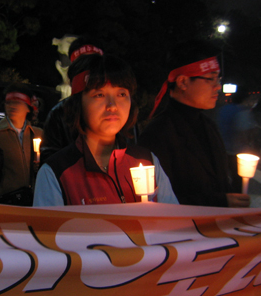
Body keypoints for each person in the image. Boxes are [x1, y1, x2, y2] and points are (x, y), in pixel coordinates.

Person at [33, 54, 178, 207]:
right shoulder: (56, 173)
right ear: (78, 103)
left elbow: (173, 223)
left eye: (122, 94)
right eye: (99, 94)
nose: (113, 105)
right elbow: (50, 230)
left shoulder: (148, 162)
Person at [138, 39, 250, 208]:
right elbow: (159, 200)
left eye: (218, 79)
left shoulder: (209, 126)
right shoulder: (157, 134)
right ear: (182, 82)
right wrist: (221, 201)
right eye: (210, 79)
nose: (217, 87)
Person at [41, 37, 105, 163]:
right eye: (83, 64)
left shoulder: (118, 109)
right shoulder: (59, 114)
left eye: (95, 63)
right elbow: (50, 159)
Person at [0, 83, 43, 206]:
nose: (12, 106)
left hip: (33, 199)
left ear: (28, 107)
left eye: (18, 102)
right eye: (9, 102)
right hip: (5, 200)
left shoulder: (38, 134)